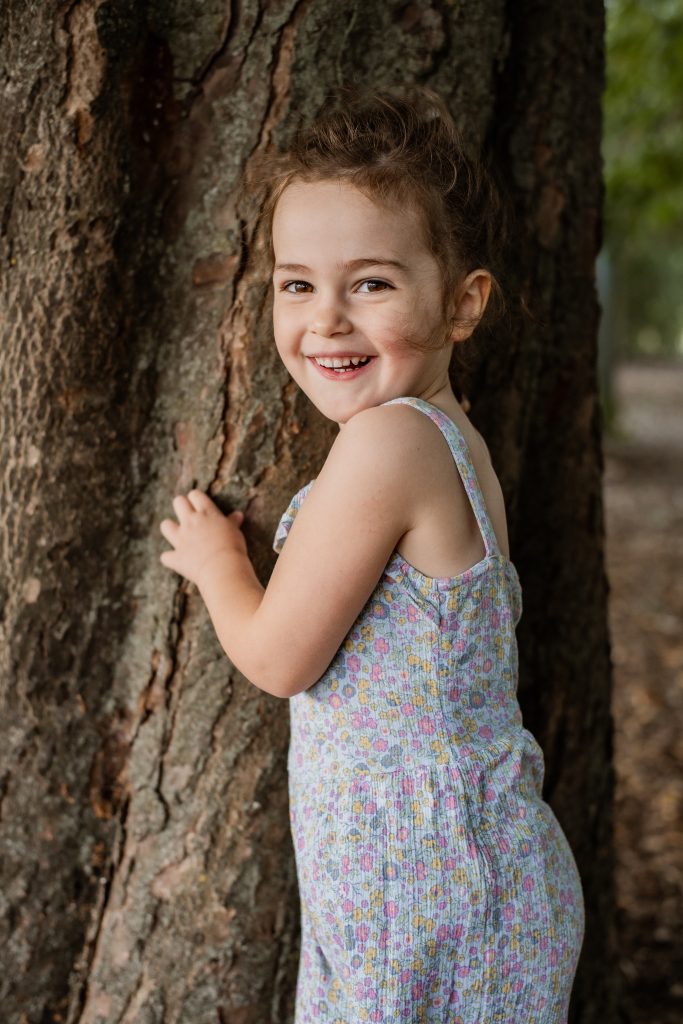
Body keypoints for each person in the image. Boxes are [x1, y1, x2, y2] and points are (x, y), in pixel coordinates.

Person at [159, 87, 585, 1023]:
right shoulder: (445, 438)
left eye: (371, 284)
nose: (325, 320)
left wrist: (218, 561)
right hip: (446, 880)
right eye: (296, 284)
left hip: (423, 895)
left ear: (463, 303)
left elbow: (278, 658)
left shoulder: (387, 443)